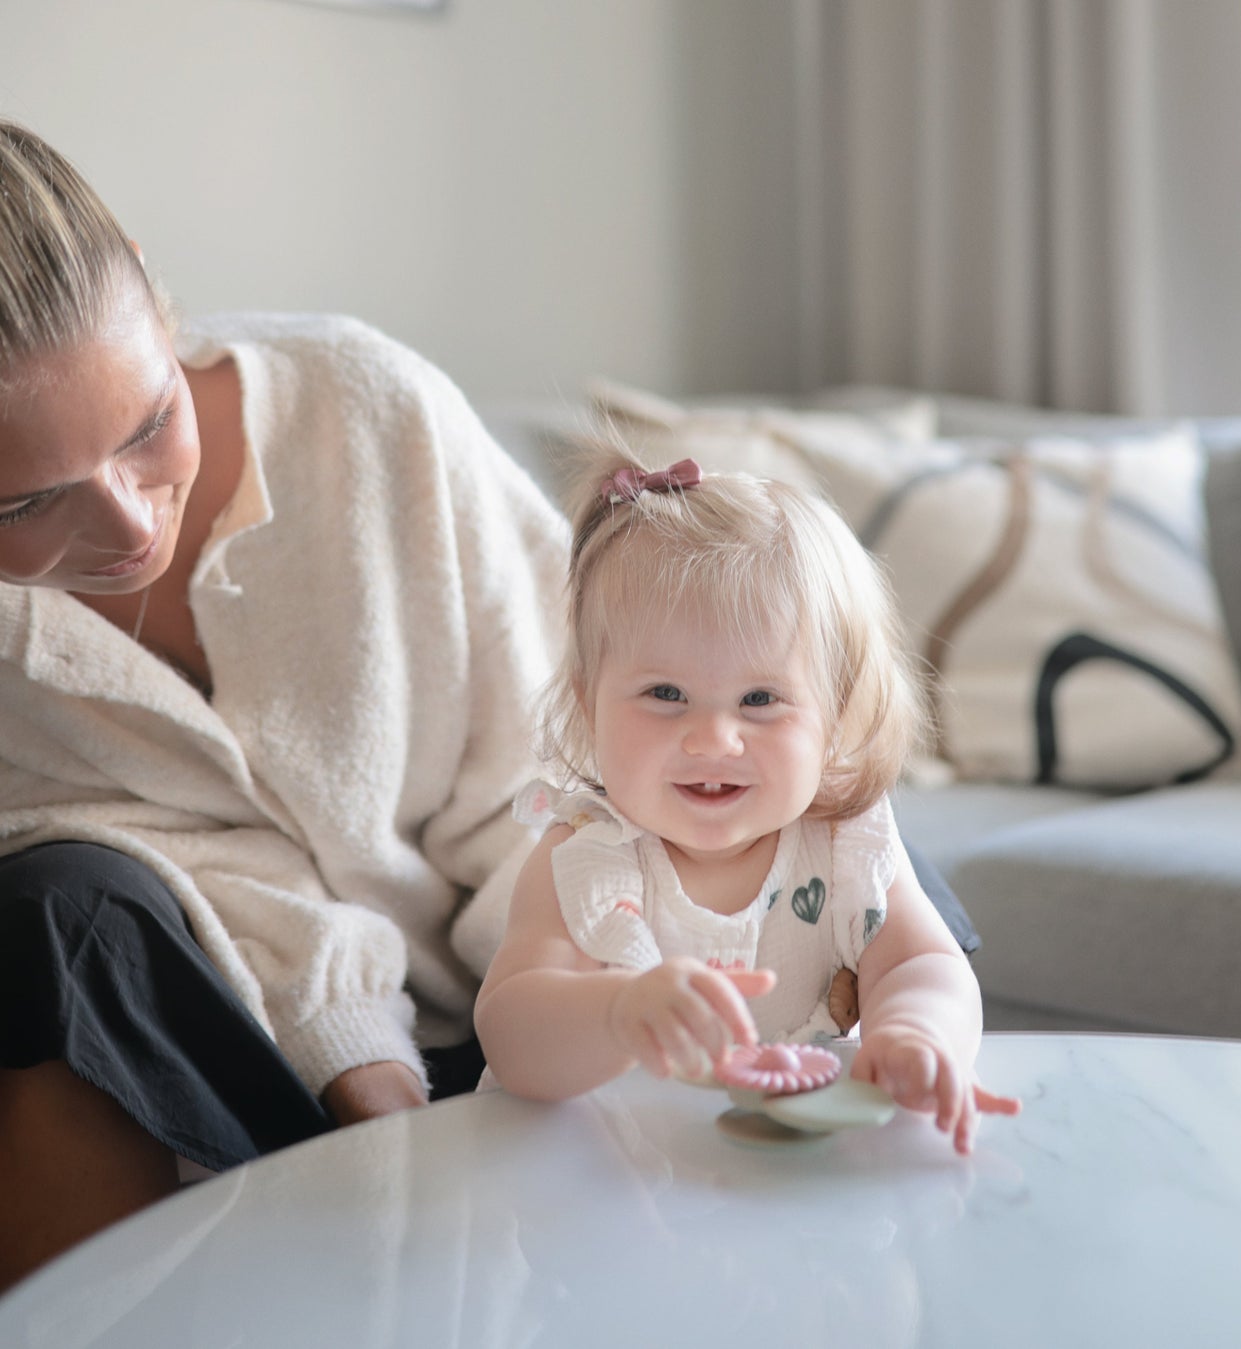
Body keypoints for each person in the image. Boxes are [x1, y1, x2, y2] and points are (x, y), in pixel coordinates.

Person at [0, 119, 570, 1289]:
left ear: (159, 305)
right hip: (249, 1042)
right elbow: (128, 849)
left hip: (556, 985)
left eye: (148, 423)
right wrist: (353, 1052)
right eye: (27, 504)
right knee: (47, 910)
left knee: (818, 820)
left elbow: (576, 742)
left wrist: (566, 1017)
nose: (127, 528)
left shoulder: (372, 412)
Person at [474, 447, 1020, 1152]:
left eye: (759, 699)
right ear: (590, 704)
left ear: (836, 715)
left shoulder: (844, 844)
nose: (712, 738)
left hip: (784, 1177)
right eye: (664, 694)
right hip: (610, 1177)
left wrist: (918, 1032)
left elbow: (925, 966)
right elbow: (512, 1033)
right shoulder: (589, 858)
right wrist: (616, 1013)